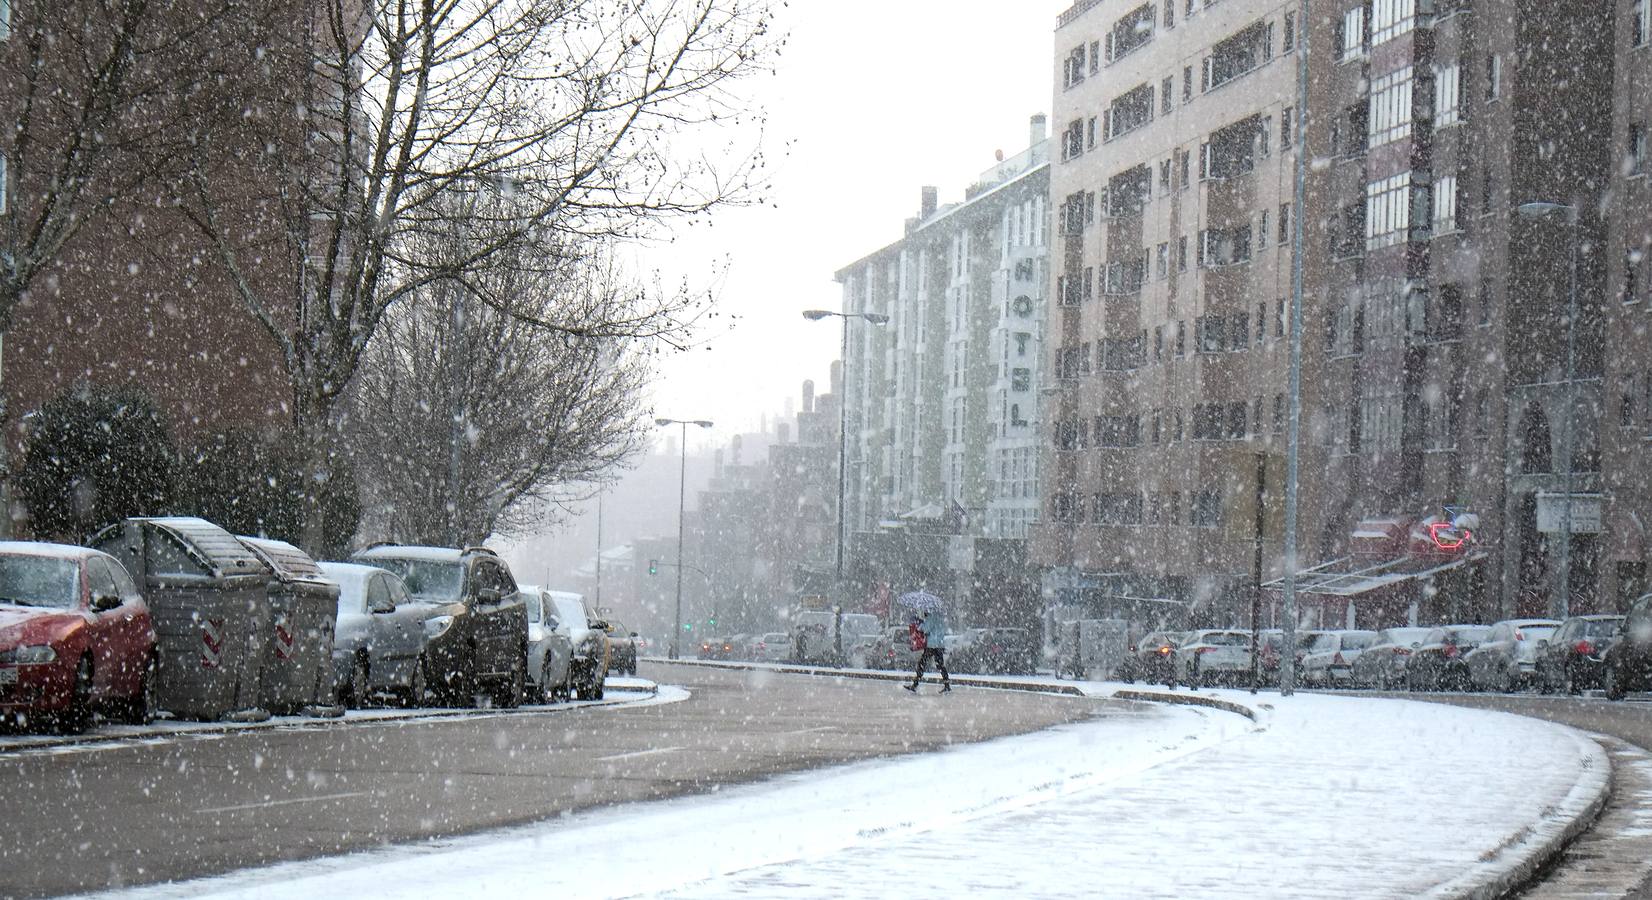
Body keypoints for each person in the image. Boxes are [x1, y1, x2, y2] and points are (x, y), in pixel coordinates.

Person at [905, 609, 951, 693]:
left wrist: (921, 623)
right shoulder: (941, 618)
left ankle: (915, 684)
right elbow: (943, 630)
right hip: (939, 644)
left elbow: (925, 629)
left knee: (922, 663)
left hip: (931, 645)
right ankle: (947, 684)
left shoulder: (931, 618)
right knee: (940, 665)